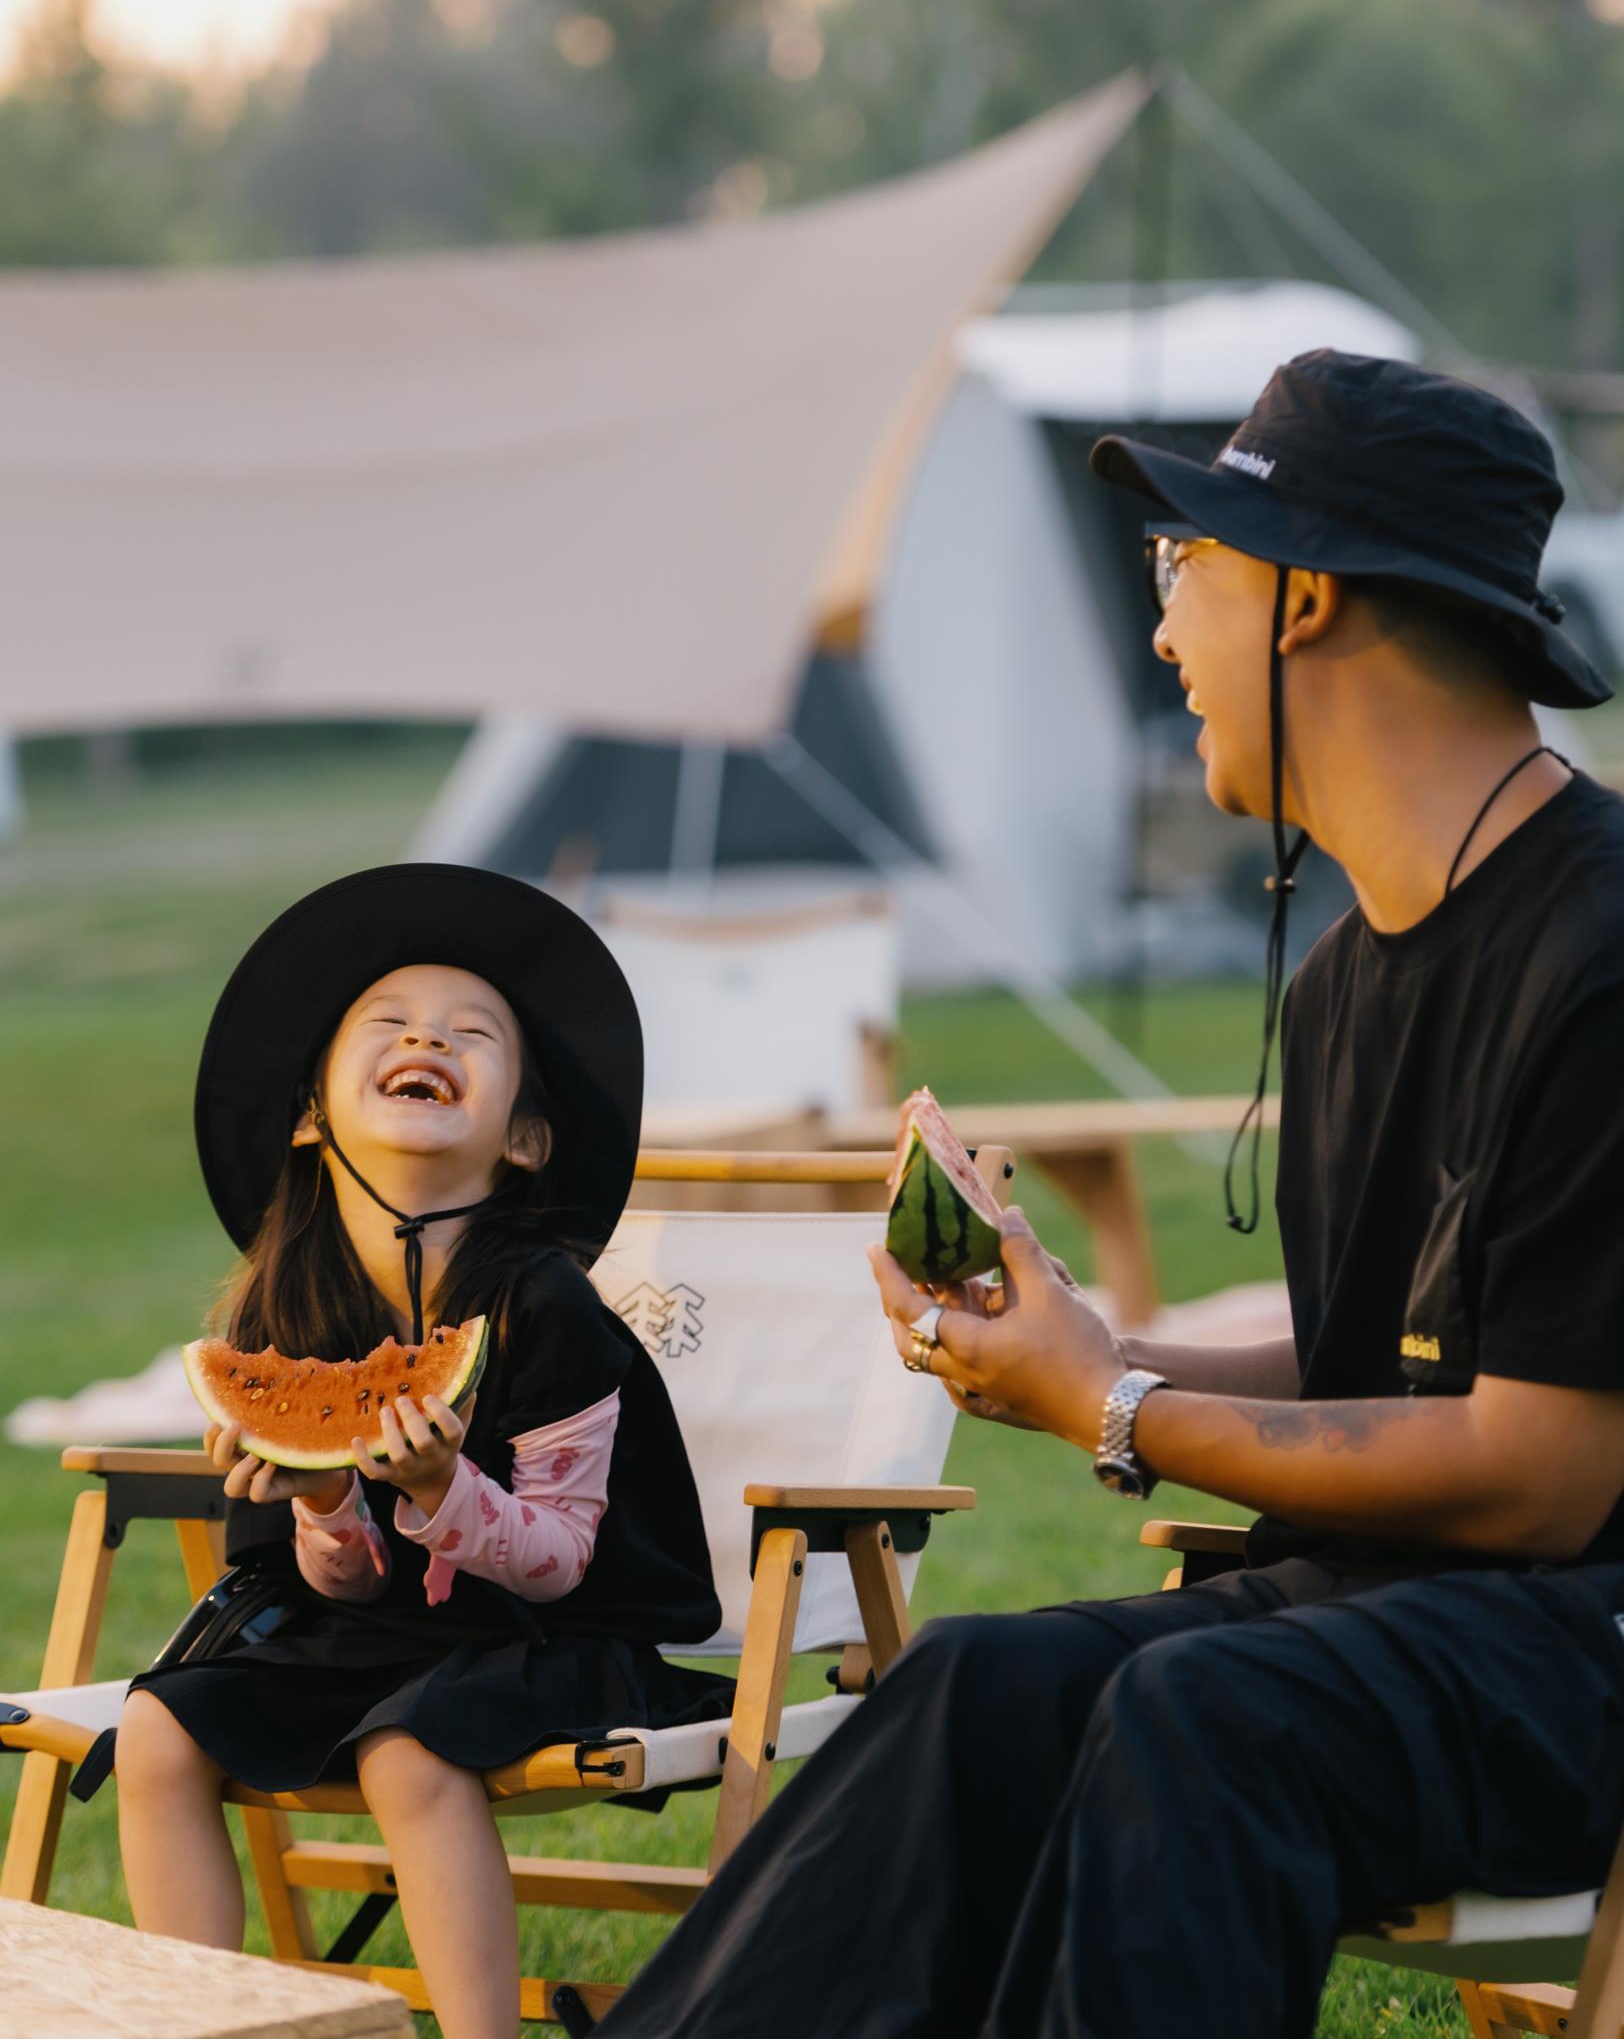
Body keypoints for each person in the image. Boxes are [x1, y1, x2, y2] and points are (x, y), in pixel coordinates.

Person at [597, 351, 1624, 2039]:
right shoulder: (1347, 977)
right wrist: (1074, 1348)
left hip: (1573, 1635)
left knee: (1196, 1712)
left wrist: (1117, 1405)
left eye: (1180, 571)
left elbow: (1536, 1471)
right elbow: (1402, 1358)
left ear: (1297, 599)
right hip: (1397, 1602)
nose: (1159, 634)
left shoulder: (1591, 954)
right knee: (971, 1681)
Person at [113, 863, 731, 2039]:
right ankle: (191, 2024)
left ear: (529, 1138)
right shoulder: (277, 1310)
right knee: (156, 1726)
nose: (427, 1038)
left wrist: (445, 1487)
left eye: (471, 1032)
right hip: (361, 1636)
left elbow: (557, 1558)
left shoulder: (546, 1304)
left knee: (406, 1750)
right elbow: (327, 1580)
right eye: (388, 1024)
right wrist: (326, 1504)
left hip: (551, 1636)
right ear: (309, 1111)